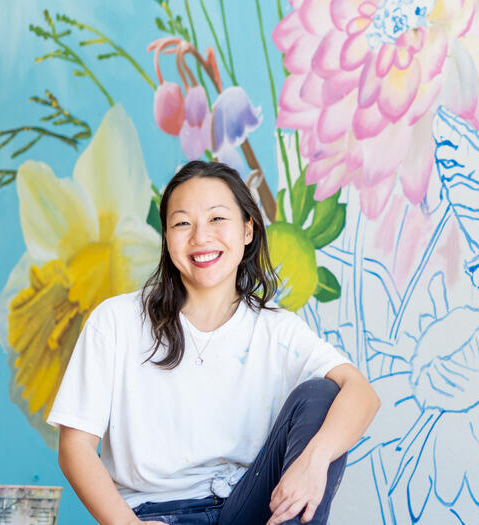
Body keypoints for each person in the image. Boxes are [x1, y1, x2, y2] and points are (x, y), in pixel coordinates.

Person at [47, 161, 380, 525]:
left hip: (247, 508)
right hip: (154, 515)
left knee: (322, 395)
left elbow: (362, 393)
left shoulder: (277, 330)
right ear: (166, 237)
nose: (200, 237)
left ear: (247, 229)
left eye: (217, 218)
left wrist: (314, 461)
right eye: (182, 224)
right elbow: (75, 446)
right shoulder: (116, 321)